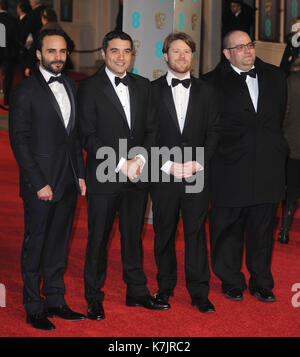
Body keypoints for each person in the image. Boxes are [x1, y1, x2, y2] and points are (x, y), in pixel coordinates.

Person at [77, 30, 165, 321]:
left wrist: (138, 159)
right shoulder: (89, 88)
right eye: (114, 51)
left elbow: (152, 130)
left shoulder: (143, 86)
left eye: (126, 51)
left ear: (132, 54)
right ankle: (93, 297)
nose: (120, 57)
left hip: (138, 173)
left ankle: (137, 291)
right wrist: (119, 163)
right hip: (104, 175)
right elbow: (87, 135)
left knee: (133, 236)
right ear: (103, 53)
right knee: (98, 238)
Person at [9, 28, 86, 331]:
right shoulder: (25, 90)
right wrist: (38, 182)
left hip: (67, 181)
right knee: (36, 243)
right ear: (39, 54)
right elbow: (19, 141)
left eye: (63, 52)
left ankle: (55, 299)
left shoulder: (71, 85)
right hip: (39, 183)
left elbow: (74, 137)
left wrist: (80, 174)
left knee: (58, 244)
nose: (58, 57)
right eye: (52, 51)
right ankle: (33, 305)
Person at [204, 30, 287, 303]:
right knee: (227, 228)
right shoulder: (210, 83)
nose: (248, 51)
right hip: (228, 169)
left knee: (262, 229)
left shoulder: (276, 77)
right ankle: (230, 280)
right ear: (227, 54)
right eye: (239, 47)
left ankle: (261, 281)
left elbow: (277, 120)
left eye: (250, 45)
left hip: (267, 167)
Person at [150, 32, 219, 313]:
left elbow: (214, 132)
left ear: (193, 57)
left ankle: (199, 291)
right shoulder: (150, 90)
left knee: (195, 233)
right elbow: (146, 134)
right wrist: (165, 164)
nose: (182, 56)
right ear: (165, 56)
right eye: (176, 51)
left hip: (196, 171)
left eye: (187, 52)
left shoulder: (207, 91)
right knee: (163, 231)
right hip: (163, 173)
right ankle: (164, 287)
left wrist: (198, 163)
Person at [278, 58, 300, 244]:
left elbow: (283, 114)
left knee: (291, 190)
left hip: (292, 145)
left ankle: (284, 231)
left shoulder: (290, 82)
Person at [0, 0, 18, 105]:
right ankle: (7, 99)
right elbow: (16, 37)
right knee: (8, 76)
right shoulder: (12, 19)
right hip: (8, 52)